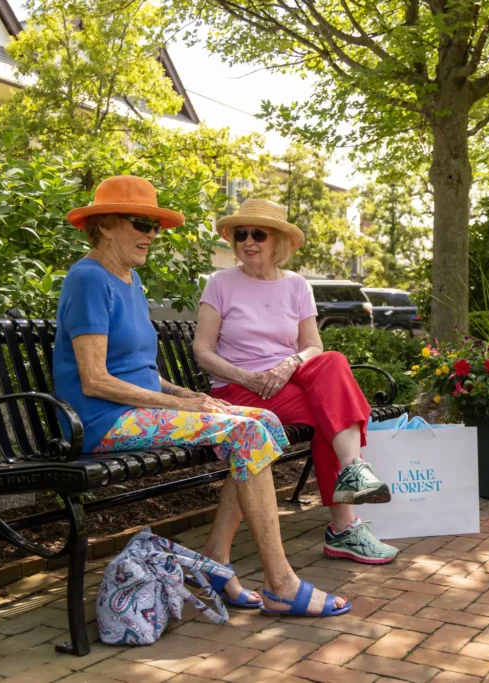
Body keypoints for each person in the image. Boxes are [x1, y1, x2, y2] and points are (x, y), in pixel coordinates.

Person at [53, 176, 349, 617]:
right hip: (103, 420)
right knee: (248, 434)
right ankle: (281, 583)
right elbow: (96, 380)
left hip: (137, 409)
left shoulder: (128, 279)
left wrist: (189, 394)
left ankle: (215, 558)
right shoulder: (89, 279)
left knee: (260, 423)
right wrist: (180, 405)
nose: (152, 235)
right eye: (141, 223)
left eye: (156, 227)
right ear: (106, 224)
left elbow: (141, 373)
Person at [194, 198, 399, 568]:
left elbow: (312, 347)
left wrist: (289, 364)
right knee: (331, 416)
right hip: (238, 386)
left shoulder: (296, 285)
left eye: (259, 234)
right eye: (241, 234)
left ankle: (352, 470)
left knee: (333, 361)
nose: (248, 241)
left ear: (279, 243)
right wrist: (246, 376)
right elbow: (202, 350)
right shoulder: (219, 283)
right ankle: (344, 529)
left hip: (288, 378)